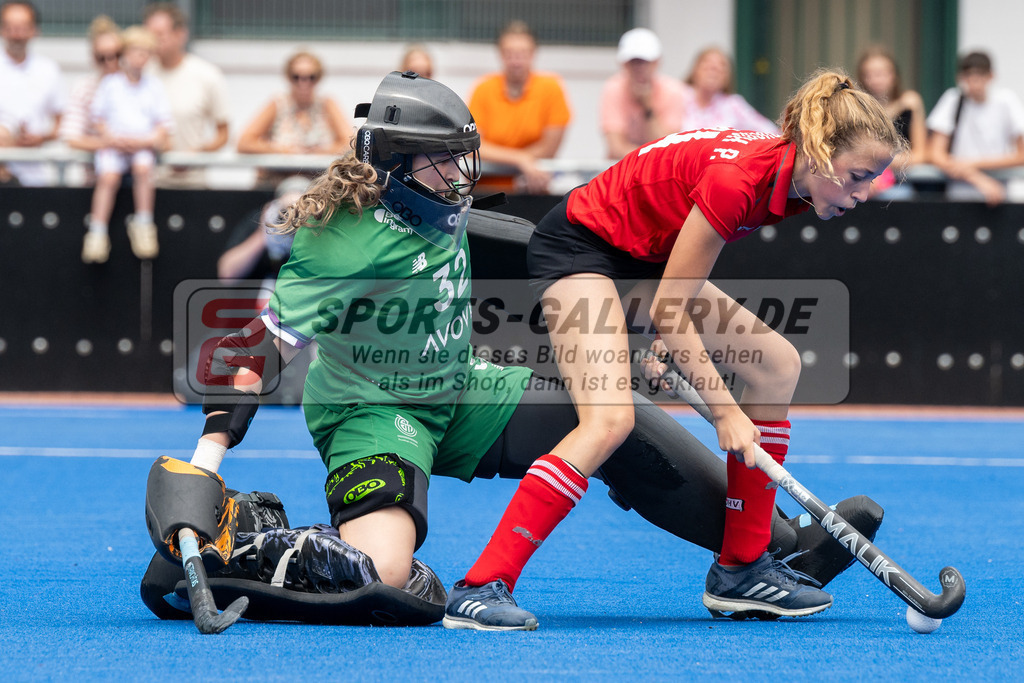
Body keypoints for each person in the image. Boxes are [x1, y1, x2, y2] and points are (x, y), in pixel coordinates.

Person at [141, 71, 884, 629]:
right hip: (376, 412)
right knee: (384, 574)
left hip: (465, 389)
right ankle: (242, 538)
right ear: (397, 165)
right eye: (447, 164)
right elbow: (255, 348)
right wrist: (207, 458)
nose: (463, 178)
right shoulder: (340, 241)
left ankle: (765, 550)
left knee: (612, 419)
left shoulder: (437, 212)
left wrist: (625, 325)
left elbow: (537, 253)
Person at [447, 69, 905, 629]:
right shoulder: (739, 181)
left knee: (775, 364)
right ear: (818, 150)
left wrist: (665, 341)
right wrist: (725, 412)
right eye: (859, 178)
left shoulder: (788, 178)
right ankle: (480, 586)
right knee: (609, 420)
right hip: (580, 249)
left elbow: (674, 289)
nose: (861, 197)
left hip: (642, 259)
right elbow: (672, 306)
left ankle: (742, 571)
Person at [82, 25, 172, 263]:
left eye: (145, 52)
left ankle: (144, 223)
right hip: (114, 146)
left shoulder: (154, 86)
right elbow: (98, 118)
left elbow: (163, 124)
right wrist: (111, 138)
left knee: (143, 170)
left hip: (142, 147)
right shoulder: (110, 84)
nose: (139, 58)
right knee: (109, 177)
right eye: (135, 51)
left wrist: (146, 141)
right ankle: (97, 231)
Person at [468, 20, 571, 193]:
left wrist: (516, 159)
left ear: (533, 54)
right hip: (487, 189)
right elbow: (473, 146)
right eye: (510, 53)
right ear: (500, 54)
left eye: (522, 53)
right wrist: (520, 159)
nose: (516, 61)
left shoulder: (552, 88)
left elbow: (549, 147)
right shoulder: (483, 89)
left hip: (535, 188)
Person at [143, 2, 230, 188]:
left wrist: (197, 152)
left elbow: (223, 132)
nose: (152, 41)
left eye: (159, 35)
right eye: (147, 35)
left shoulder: (207, 75)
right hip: (146, 185)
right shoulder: (140, 74)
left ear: (180, 33)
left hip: (193, 183)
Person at [237, 51, 354, 186]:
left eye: (311, 77)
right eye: (296, 77)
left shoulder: (327, 105)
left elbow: (349, 143)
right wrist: (281, 150)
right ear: (288, 77)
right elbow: (244, 142)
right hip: (278, 183)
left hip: (318, 187)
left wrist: (320, 152)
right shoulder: (278, 104)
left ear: (318, 78)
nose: (303, 83)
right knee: (293, 187)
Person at [927, 50, 1024, 206]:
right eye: (969, 78)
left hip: (997, 196)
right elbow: (936, 154)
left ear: (991, 76)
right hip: (959, 196)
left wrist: (970, 164)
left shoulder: (1006, 101)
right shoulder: (952, 99)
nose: (974, 85)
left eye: (979, 78)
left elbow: (1022, 155)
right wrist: (976, 177)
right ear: (961, 78)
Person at [0, 1, 64, 186]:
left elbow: (61, 121)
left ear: (34, 30)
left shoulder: (48, 70)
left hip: (36, 176)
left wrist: (41, 137)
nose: (16, 34)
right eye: (11, 27)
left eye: (23, 27)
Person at [600, 27, 685, 160]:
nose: (639, 68)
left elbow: (668, 146)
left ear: (657, 62)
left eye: (644, 62)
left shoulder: (673, 90)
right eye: (633, 62)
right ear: (624, 64)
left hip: (658, 168)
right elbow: (616, 147)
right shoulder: (613, 88)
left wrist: (648, 108)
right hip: (623, 168)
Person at [856, 45, 927, 197]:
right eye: (869, 74)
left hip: (902, 182)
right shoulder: (857, 107)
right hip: (865, 179)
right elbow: (853, 152)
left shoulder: (910, 102)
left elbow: (921, 154)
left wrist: (884, 163)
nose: (875, 80)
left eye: (880, 74)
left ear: (893, 75)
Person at [679, 47, 778, 134]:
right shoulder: (678, 96)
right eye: (707, 63)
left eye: (722, 65)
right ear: (695, 69)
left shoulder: (733, 105)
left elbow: (769, 131)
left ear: (727, 77)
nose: (714, 68)